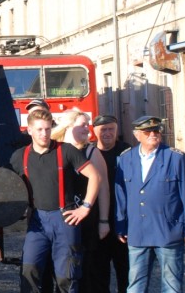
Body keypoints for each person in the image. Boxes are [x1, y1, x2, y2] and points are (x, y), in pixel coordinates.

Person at [8, 109, 102, 293]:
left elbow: (95, 176)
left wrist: (85, 207)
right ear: (30, 130)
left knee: (66, 276)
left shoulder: (66, 150)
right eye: (39, 129)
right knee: (29, 270)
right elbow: (3, 181)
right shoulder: (20, 156)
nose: (44, 134)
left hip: (64, 219)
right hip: (37, 221)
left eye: (47, 129)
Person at [115, 116, 185, 293]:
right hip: (138, 230)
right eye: (148, 132)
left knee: (171, 283)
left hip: (168, 230)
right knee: (136, 283)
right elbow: (120, 196)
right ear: (137, 135)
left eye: (156, 131)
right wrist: (120, 225)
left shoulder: (175, 158)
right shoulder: (126, 158)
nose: (153, 134)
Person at [51, 110, 111, 293]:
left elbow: (103, 188)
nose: (87, 129)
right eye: (83, 125)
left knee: (87, 269)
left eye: (88, 124)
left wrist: (103, 221)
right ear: (68, 127)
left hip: (87, 219)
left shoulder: (91, 152)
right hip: (61, 219)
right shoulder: (55, 150)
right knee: (62, 269)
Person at [90, 114, 131, 293]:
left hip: (123, 219)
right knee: (99, 269)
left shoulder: (127, 152)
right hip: (98, 219)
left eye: (111, 129)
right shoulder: (89, 152)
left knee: (126, 269)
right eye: (103, 129)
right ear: (94, 131)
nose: (107, 133)